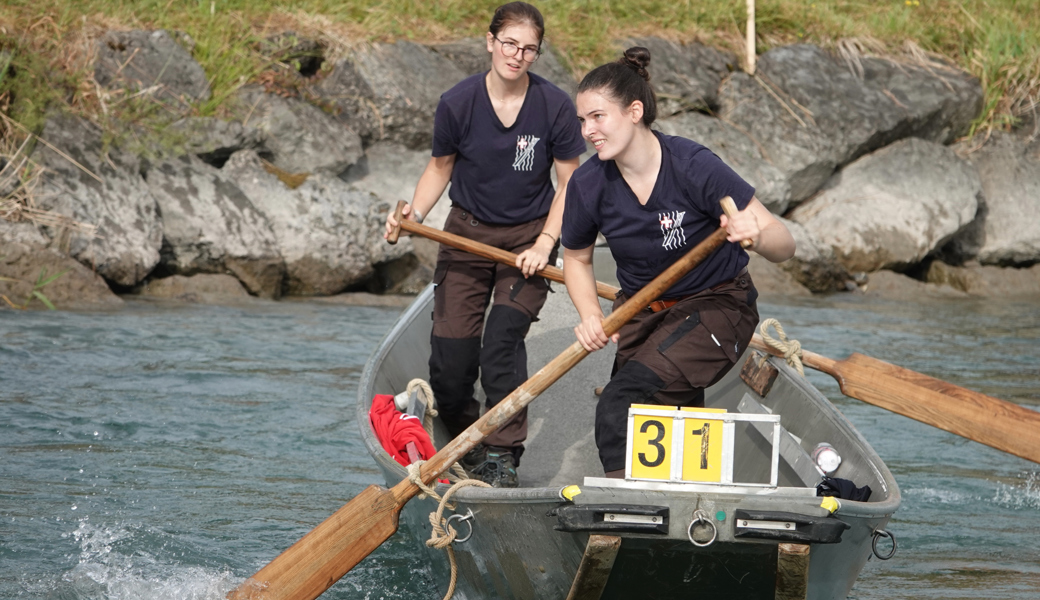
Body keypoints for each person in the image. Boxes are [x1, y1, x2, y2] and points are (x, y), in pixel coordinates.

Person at [561, 47, 796, 477]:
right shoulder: (588, 182)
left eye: (598, 117)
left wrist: (757, 236)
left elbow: (786, 244)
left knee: (621, 404)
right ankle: (683, 498)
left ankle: (625, 513)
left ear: (634, 111)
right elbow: (575, 258)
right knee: (670, 409)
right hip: (640, 315)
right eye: (582, 120)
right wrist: (591, 315)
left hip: (718, 308)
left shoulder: (693, 166)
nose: (588, 131)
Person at [384, 2, 586, 487]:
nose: (517, 55)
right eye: (510, 43)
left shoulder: (554, 106)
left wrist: (545, 242)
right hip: (465, 234)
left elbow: (571, 182)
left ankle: (503, 453)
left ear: (537, 53)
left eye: (529, 48)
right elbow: (440, 167)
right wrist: (413, 214)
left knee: (500, 344)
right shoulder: (458, 102)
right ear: (490, 41)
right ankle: (468, 438)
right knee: (450, 366)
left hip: (529, 241)